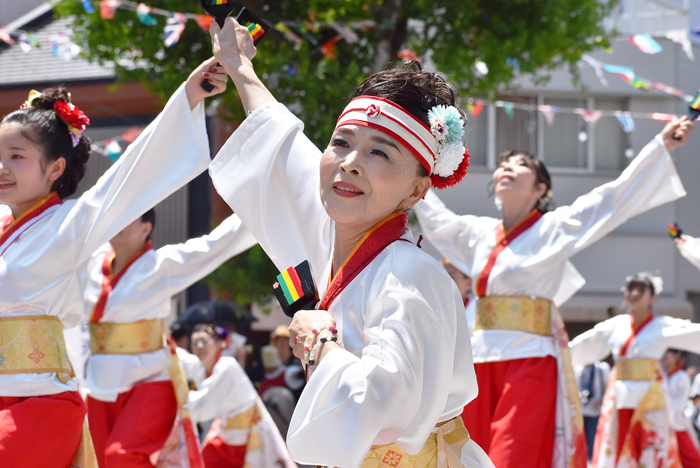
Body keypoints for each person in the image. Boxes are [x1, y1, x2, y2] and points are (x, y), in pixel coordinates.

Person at [206, 18, 494, 468]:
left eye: (380, 152)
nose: (350, 164)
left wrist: (318, 341)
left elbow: (386, 402)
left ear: (417, 191)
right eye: (341, 142)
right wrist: (239, 66)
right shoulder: (335, 238)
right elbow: (283, 150)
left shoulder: (412, 275)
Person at [415, 114, 694, 467]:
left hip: (531, 358)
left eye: (520, 164)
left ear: (541, 189)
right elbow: (431, 212)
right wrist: (415, 160)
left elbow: (610, 199)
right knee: (471, 451)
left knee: (513, 454)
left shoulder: (555, 228)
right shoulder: (476, 233)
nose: (507, 167)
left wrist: (662, 145)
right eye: (503, 164)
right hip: (479, 358)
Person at [0, 57, 225, 467]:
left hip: (39, 400)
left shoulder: (68, 226)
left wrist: (189, 96)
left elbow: (128, 178)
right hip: (79, 383)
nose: (2, 167)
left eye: (16, 156)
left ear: (55, 167)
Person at [82, 207, 257, 467]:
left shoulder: (161, 264)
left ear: (146, 229)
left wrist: (258, 206)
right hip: (99, 383)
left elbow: (215, 246)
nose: (118, 221)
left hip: (150, 380)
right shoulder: (91, 265)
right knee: (102, 460)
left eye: (128, 216)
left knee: (121, 457)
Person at [569, 272, 700, 467]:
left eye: (641, 289)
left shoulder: (661, 325)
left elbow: (692, 333)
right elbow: (588, 342)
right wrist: (561, 355)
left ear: (653, 297)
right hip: (619, 396)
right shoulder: (617, 325)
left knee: (650, 448)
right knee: (616, 444)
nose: (635, 292)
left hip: (650, 398)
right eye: (631, 288)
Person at [186, 324, 295, 468]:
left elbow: (203, 407)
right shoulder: (202, 367)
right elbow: (181, 360)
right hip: (227, 434)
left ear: (219, 344)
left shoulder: (226, 366)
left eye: (204, 341)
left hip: (248, 434)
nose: (199, 346)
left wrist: (184, 397)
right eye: (194, 343)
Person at [662, 349, 700, 467]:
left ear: (677, 355)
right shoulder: (663, 376)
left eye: (668, 353)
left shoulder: (681, 377)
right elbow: (694, 399)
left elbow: (683, 404)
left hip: (677, 427)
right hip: (665, 426)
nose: (664, 356)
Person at [574, 361, 611, 461]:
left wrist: (601, 401)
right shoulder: (578, 369)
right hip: (581, 409)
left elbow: (609, 387)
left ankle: (594, 459)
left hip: (596, 409)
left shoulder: (602, 368)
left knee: (594, 438)